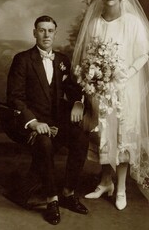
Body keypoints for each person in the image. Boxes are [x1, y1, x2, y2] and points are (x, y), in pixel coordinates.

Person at [71, 0, 149, 210]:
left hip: (125, 88)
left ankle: (120, 188)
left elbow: (144, 54)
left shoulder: (132, 22)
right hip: (101, 90)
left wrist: (126, 74)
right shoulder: (95, 24)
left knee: (122, 137)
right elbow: (88, 56)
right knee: (103, 135)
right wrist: (95, 76)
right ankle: (105, 182)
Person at [5, 15, 89, 225]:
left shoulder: (62, 60)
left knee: (80, 136)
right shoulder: (22, 59)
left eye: (50, 30)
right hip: (30, 123)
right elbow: (15, 97)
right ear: (34, 33)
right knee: (44, 142)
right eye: (41, 30)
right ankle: (52, 200)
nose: (46, 35)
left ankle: (68, 193)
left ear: (55, 33)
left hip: (55, 121)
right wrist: (33, 122)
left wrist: (78, 102)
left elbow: (72, 88)